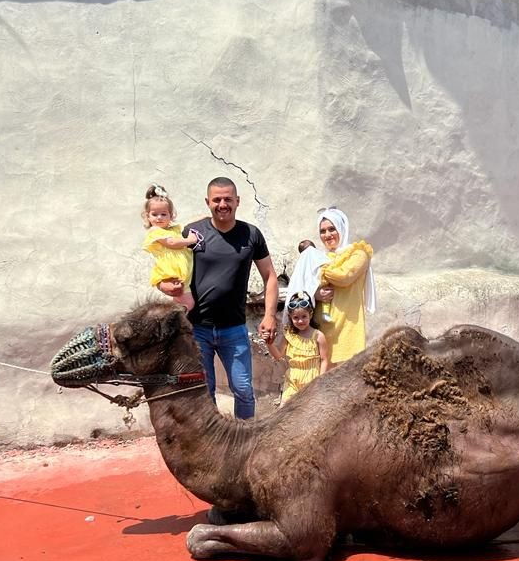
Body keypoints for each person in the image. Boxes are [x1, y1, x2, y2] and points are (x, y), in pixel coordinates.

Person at [160, 177, 278, 419]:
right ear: (208, 202)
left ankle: (246, 438)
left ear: (237, 201)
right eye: (217, 200)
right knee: (205, 392)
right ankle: (212, 440)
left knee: (243, 390)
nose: (222, 204)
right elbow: (167, 267)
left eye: (227, 199)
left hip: (234, 329)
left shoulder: (251, 234)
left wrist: (269, 315)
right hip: (196, 328)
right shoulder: (192, 233)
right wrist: (165, 286)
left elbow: (270, 276)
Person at [284, 207, 376, 366]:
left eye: (332, 229)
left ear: (342, 228)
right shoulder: (321, 257)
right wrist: (315, 293)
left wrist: (320, 268)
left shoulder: (358, 254)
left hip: (347, 329)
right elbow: (303, 286)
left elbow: (343, 276)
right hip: (321, 332)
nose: (327, 235)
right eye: (322, 231)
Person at [141, 184, 200, 311]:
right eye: (154, 214)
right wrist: (190, 240)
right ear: (148, 216)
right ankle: (176, 318)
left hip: (183, 275)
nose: (159, 218)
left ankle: (175, 313)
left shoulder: (174, 229)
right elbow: (171, 243)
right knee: (188, 303)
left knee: (183, 301)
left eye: (163, 214)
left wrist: (206, 217)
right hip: (170, 274)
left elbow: (189, 222)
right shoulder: (155, 231)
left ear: (171, 215)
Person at [267, 290, 329, 401]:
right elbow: (278, 355)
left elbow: (324, 359)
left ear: (310, 314)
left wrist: (320, 380)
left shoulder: (318, 336)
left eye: (304, 316)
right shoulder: (289, 335)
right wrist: (269, 343)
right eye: (296, 317)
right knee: (285, 408)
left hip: (311, 383)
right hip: (292, 383)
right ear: (290, 317)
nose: (300, 321)